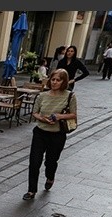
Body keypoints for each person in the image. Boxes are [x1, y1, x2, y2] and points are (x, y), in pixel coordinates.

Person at [23, 69, 77, 201]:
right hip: (40, 132)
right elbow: (35, 112)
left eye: (58, 80)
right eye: (53, 79)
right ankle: (31, 190)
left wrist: (59, 116)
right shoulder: (42, 96)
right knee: (34, 162)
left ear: (64, 81)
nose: (54, 82)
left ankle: (50, 176)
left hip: (57, 134)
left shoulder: (70, 96)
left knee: (51, 162)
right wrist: (42, 118)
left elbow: (74, 115)